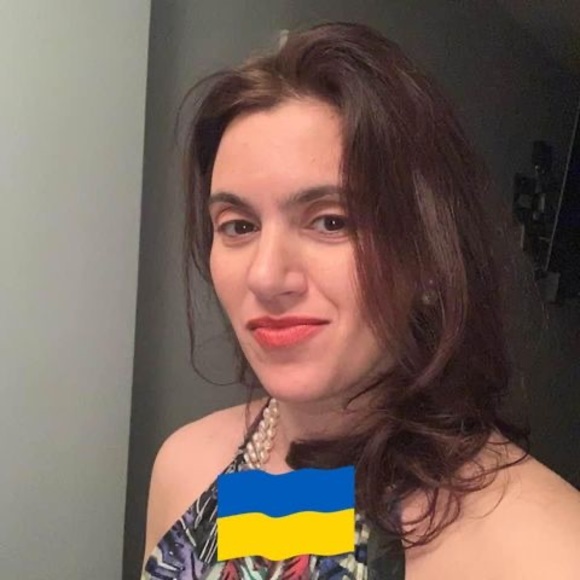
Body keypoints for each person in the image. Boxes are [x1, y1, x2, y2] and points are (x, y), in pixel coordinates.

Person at [142, 22, 580, 580]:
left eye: (331, 221)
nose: (266, 276)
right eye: (239, 225)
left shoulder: (543, 552)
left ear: (429, 255)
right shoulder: (185, 467)